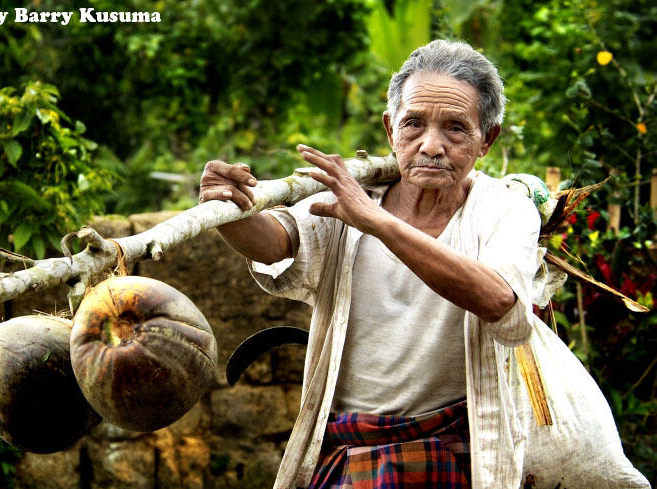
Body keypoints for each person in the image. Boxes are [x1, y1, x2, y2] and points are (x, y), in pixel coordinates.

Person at [200, 40, 541, 489]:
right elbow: (275, 241)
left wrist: (376, 222)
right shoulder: (353, 200)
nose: (431, 146)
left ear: (487, 140)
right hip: (349, 451)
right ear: (390, 129)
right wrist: (229, 206)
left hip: (450, 451)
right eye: (413, 124)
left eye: (456, 129)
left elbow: (500, 300)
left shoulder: (504, 210)